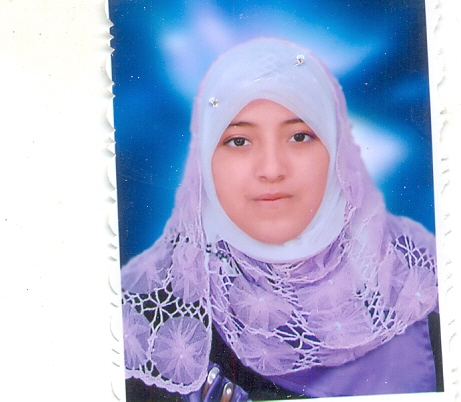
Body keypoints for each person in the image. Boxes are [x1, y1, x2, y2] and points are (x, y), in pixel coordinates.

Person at [121, 38, 442, 401]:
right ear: (204, 158)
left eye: (300, 136)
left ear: (336, 148)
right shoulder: (152, 320)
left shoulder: (419, 282)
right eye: (239, 141)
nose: (272, 169)